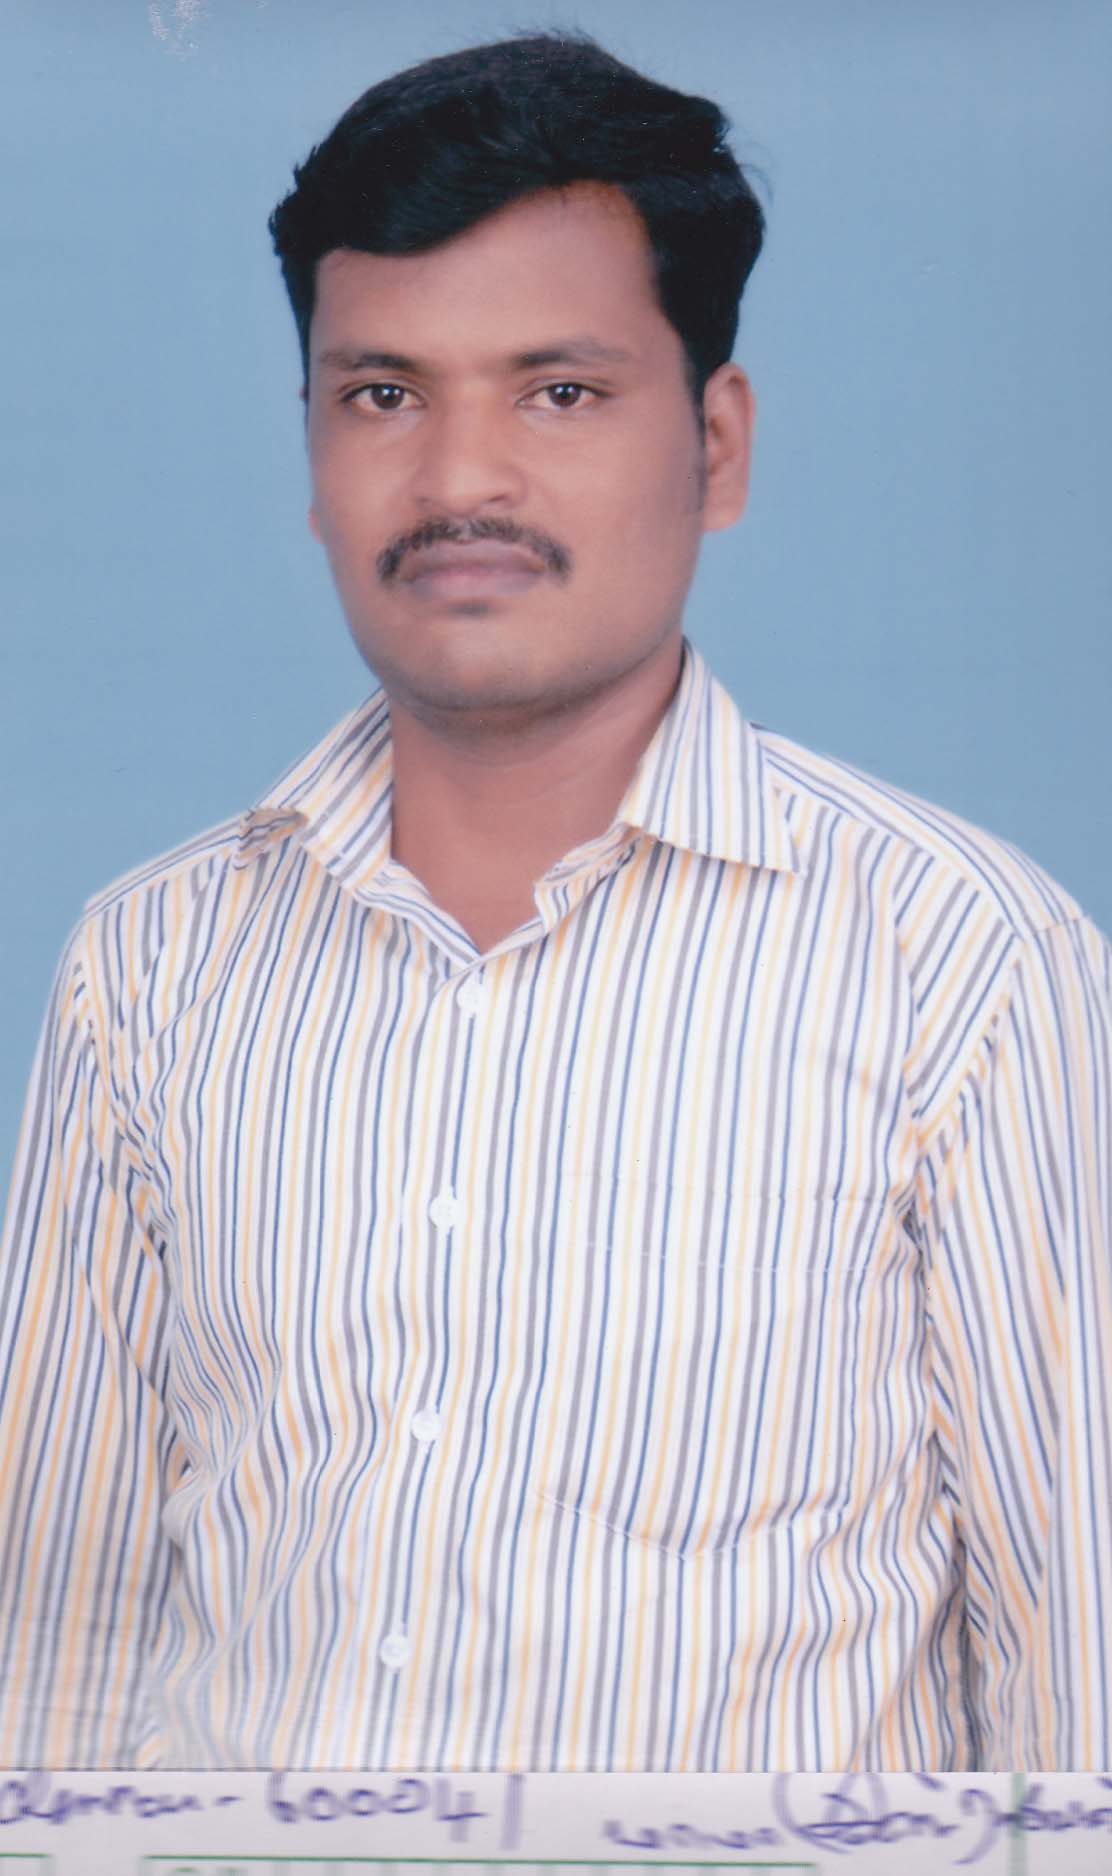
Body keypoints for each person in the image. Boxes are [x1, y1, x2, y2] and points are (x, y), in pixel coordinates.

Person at [0, 31, 1109, 1777]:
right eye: (384, 394)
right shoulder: (150, 965)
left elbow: (1079, 1668)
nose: (460, 483)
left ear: (717, 447)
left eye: (560, 393)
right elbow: (51, 1649)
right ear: (312, 451)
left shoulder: (963, 961)